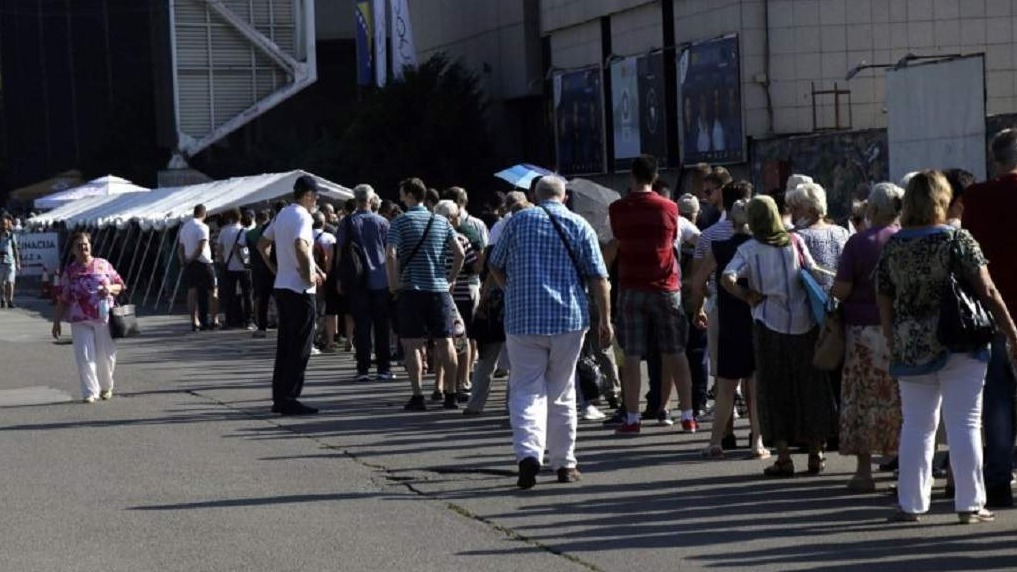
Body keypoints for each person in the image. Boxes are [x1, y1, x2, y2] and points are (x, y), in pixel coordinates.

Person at [876, 170, 1017, 523]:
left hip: (911, 344)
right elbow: (987, 289)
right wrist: (1011, 331)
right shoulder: (957, 240)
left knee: (917, 425)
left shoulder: (895, 244)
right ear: (943, 201)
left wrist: (891, 335)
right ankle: (969, 503)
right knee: (965, 422)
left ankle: (911, 502)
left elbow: (883, 293)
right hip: (961, 339)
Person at [489, 175, 612, 489]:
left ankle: (528, 454)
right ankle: (565, 463)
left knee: (526, 388)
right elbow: (599, 277)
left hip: (523, 319)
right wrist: (605, 319)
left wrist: (511, 289)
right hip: (568, 319)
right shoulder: (579, 225)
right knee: (562, 391)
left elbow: (495, 263)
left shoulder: (516, 222)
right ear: (565, 197)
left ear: (534, 194)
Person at [721, 195, 838, 477]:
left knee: (774, 390)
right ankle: (816, 451)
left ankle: (783, 456)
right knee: (810, 387)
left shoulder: (749, 249)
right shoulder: (794, 242)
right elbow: (812, 272)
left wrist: (747, 295)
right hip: (804, 325)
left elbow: (727, 277)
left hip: (768, 325)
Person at [604, 155, 695, 434]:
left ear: (632, 176)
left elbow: (615, 243)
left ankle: (632, 418)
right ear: (655, 177)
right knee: (676, 351)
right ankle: (687, 415)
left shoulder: (617, 209)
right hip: (667, 287)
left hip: (631, 286)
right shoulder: (669, 207)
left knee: (631, 354)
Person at [830, 182, 904, 492]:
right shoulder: (903, 240)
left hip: (861, 331)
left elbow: (843, 289)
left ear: (872, 209)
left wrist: (832, 289)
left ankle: (864, 472)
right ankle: (903, 464)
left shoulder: (858, 243)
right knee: (899, 398)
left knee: (860, 399)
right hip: (898, 330)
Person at [960, 129, 1017, 508]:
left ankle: (998, 481)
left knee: (996, 398)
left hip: (992, 311)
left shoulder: (975, 198)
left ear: (994, 157)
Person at [693, 197, 766, 459]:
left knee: (725, 387)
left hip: (728, 318)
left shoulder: (721, 247)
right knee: (755, 386)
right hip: (758, 317)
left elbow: (698, 281)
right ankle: (757, 441)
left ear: (732, 221)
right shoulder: (760, 247)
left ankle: (715, 442)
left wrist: (709, 295)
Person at [386, 178, 465, 411]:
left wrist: (393, 283)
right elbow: (459, 252)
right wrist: (449, 278)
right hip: (439, 290)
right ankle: (451, 393)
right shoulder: (441, 221)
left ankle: (418, 395)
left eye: (402, 193)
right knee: (446, 342)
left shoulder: (400, 222)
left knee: (412, 344)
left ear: (410, 195)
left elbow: (390, 254)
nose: (400, 197)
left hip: (411, 290)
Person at [257, 175, 325, 416]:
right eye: (315, 197)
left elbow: (262, 244)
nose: (316, 201)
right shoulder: (303, 216)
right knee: (301, 346)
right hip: (299, 289)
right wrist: (309, 276)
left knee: (285, 344)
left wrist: (276, 268)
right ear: (308, 195)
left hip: (283, 285)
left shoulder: (283, 213)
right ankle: (290, 397)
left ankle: (280, 396)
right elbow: (301, 245)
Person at [51, 231, 125, 402]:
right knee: (84, 356)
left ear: (90, 246)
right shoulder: (70, 272)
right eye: (79, 245)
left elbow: (119, 285)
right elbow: (62, 297)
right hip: (79, 319)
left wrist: (109, 289)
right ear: (73, 251)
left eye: (85, 243)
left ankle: (106, 387)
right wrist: (56, 322)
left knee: (105, 355)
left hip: (103, 317)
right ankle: (90, 391)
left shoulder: (103, 264)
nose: (83, 247)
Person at [337, 184, 394, 382]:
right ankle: (384, 368)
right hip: (381, 278)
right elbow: (390, 252)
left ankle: (363, 368)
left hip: (357, 280)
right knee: (381, 326)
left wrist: (339, 278)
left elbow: (341, 251)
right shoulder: (383, 222)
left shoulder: (347, 222)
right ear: (371, 200)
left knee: (361, 326)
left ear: (355, 199)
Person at [787, 182, 850, 292]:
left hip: (814, 302)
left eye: (796, 208)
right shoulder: (842, 232)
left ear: (811, 210)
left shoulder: (799, 237)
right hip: (841, 297)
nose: (792, 212)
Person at [178, 204, 219, 331]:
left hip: (189, 263)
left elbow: (180, 248)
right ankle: (214, 320)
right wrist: (192, 258)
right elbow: (201, 247)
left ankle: (194, 321)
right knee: (213, 290)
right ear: (204, 214)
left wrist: (183, 261)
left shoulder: (185, 227)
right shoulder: (203, 227)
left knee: (192, 292)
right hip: (203, 262)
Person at [217, 208, 253, 329]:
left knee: (230, 294)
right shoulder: (243, 231)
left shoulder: (223, 231)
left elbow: (219, 250)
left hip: (228, 266)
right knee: (247, 294)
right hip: (242, 267)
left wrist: (222, 262)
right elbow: (243, 249)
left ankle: (230, 320)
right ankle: (248, 320)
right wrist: (247, 263)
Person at [247, 210, 274, 338]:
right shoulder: (274, 228)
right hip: (275, 269)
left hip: (259, 270)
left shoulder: (251, 234)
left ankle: (261, 326)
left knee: (261, 298)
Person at [0, 215, 21, 308]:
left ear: (8, 225)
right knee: (2, 283)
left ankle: (10, 301)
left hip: (10, 261)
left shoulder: (12, 236)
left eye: (5, 224)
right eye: (2, 224)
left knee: (10, 281)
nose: (4, 226)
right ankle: (2, 299)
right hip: (0, 262)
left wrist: (18, 262)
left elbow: (15, 249)